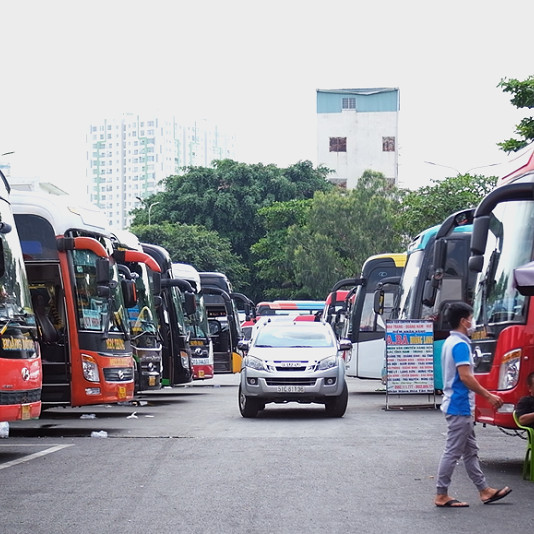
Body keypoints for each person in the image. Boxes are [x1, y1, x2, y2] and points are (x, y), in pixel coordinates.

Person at [434, 301, 512, 508]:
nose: (473, 322)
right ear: (463, 321)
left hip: (457, 405)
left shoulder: (450, 342)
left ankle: (484, 490)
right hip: (459, 406)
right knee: (453, 451)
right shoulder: (460, 345)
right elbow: (466, 377)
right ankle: (441, 494)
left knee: (470, 451)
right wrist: (489, 396)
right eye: (470, 318)